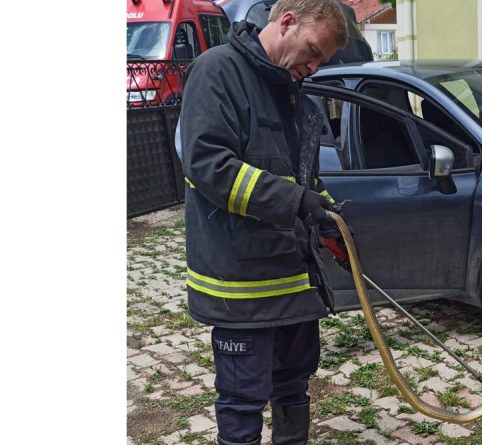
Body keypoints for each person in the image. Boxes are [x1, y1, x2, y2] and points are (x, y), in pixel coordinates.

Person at [178, 1, 348, 444]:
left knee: (294, 389)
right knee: (242, 399)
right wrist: (296, 200)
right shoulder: (218, 70)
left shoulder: (297, 96)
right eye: (313, 51)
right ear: (286, 21)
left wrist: (330, 220)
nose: (313, 67)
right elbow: (209, 165)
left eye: (321, 61)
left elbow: (305, 178)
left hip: (293, 283)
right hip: (242, 289)